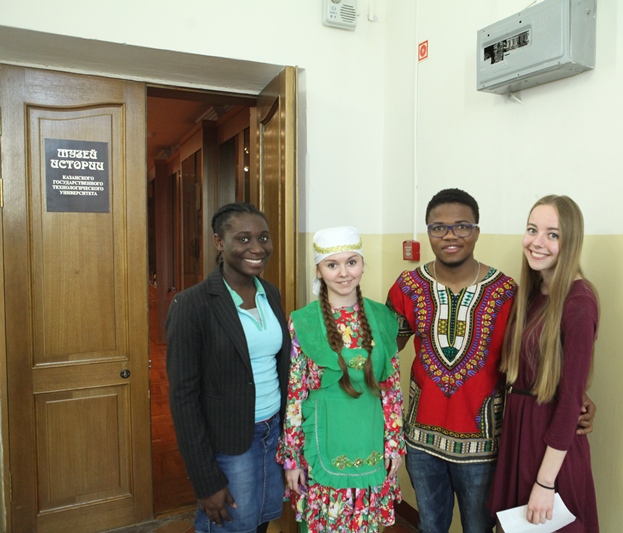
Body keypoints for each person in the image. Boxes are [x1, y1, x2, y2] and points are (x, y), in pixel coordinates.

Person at [386, 188, 596, 533]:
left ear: (477, 232)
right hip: (421, 442)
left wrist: (577, 399)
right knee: (430, 527)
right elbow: (383, 352)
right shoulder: (407, 286)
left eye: (462, 226)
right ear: (428, 233)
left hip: (484, 448)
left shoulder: (508, 293)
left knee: (480, 529)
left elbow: (544, 356)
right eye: (438, 228)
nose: (450, 235)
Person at [166, 202, 290, 533]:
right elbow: (183, 398)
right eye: (243, 238)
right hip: (231, 442)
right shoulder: (192, 304)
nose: (257, 248)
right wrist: (206, 480)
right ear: (219, 242)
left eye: (263, 238)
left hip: (273, 434)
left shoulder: (271, 294)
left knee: (261, 520)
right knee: (230, 526)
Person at [277, 226, 405, 533]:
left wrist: (393, 444)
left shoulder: (383, 318)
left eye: (352, 262)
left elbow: (391, 390)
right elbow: (295, 395)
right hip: (322, 439)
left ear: (362, 265)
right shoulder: (303, 321)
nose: (344, 273)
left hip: (370, 438)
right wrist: (293, 458)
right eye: (332, 265)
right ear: (319, 271)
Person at [488, 195, 600, 532]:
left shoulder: (579, 303)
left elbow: (569, 401)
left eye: (553, 234)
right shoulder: (533, 294)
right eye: (532, 229)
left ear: (571, 241)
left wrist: (545, 482)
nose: (537, 242)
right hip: (521, 435)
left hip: (550, 447)